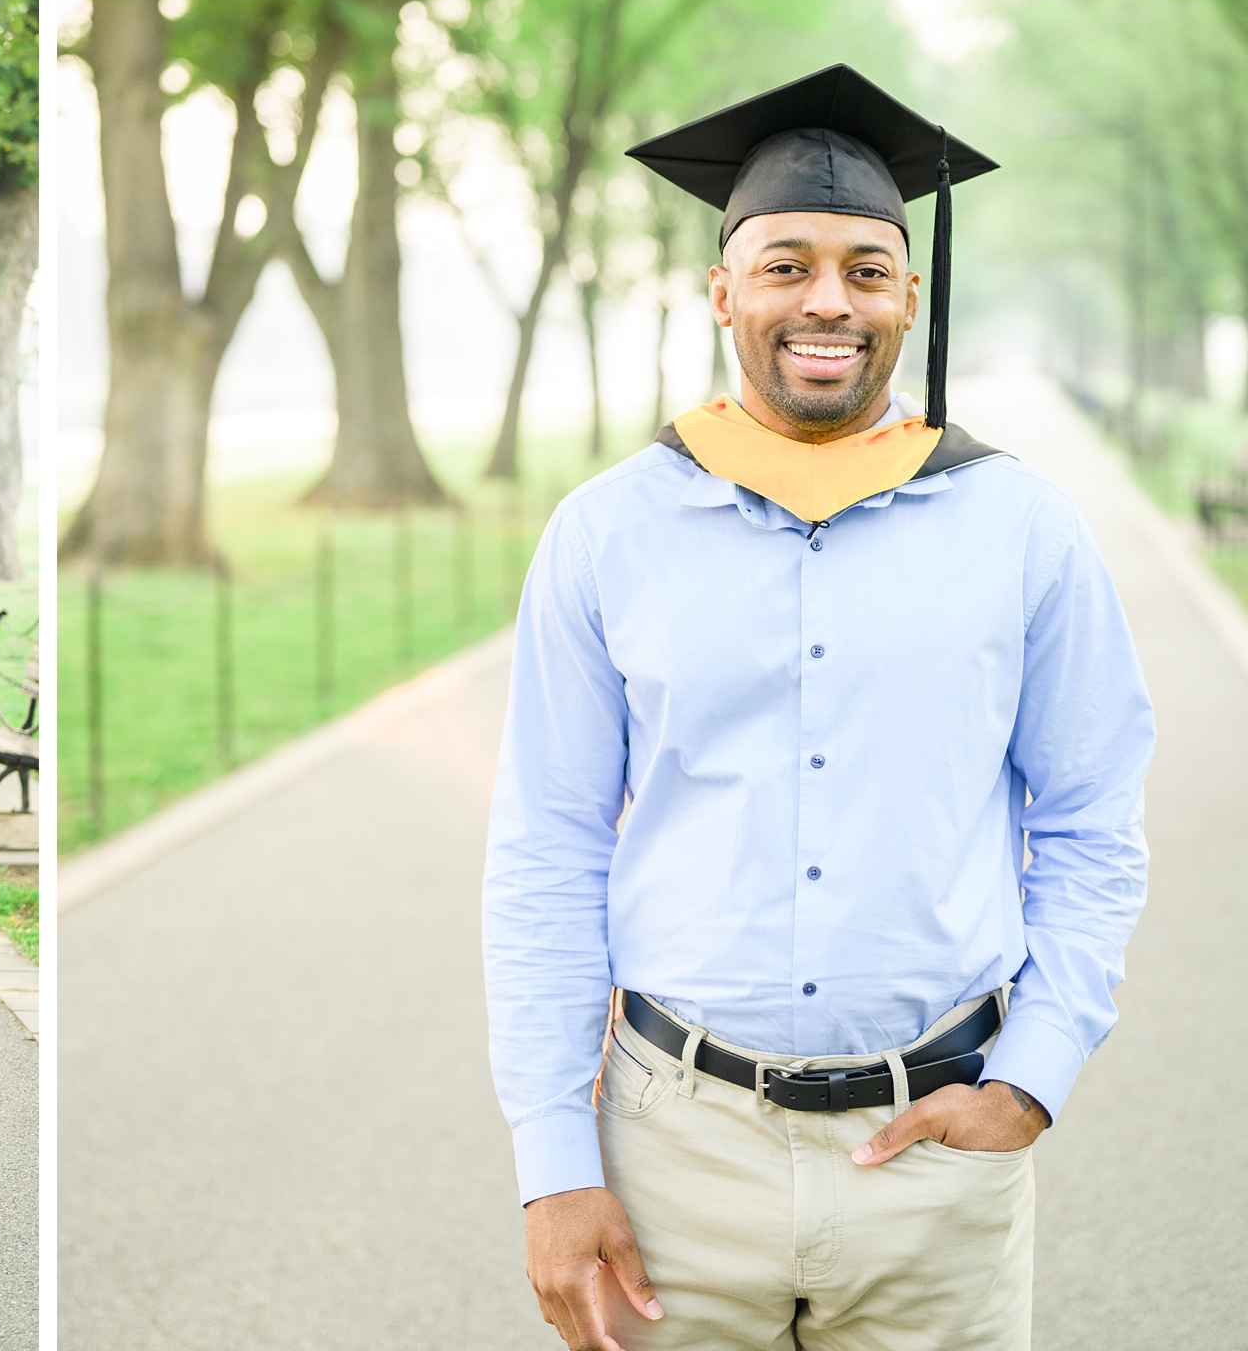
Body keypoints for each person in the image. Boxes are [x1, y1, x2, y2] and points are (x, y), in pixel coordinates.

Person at [482, 65, 1154, 1351]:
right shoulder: (607, 533)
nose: (827, 300)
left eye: (865, 266)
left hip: (937, 1157)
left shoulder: (1023, 527)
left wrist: (1032, 1079)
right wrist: (553, 1158)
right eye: (786, 264)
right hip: (669, 1153)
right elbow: (548, 849)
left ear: (910, 294)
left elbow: (1090, 820)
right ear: (723, 289)